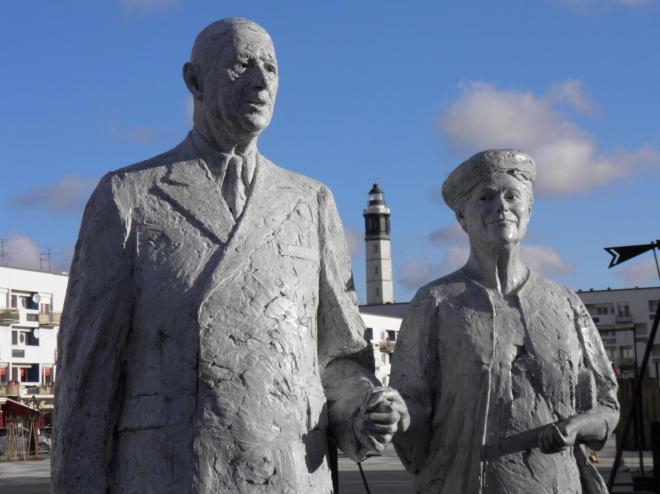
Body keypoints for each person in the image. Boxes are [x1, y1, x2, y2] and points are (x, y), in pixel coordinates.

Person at [53, 18, 408, 493]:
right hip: (171, 470)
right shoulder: (128, 195)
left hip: (291, 470)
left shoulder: (310, 200)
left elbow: (338, 356)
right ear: (194, 80)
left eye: (272, 68)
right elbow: (87, 379)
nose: (261, 82)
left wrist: (364, 408)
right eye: (242, 66)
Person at [390, 149, 618, 493]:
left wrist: (578, 425)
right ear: (462, 218)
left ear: (529, 209)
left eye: (512, 195)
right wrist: (394, 413)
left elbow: (607, 404)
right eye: (485, 197)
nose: (501, 206)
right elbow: (412, 404)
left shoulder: (565, 303)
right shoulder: (435, 302)